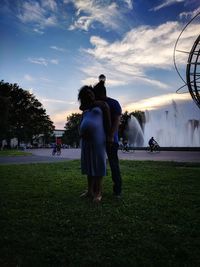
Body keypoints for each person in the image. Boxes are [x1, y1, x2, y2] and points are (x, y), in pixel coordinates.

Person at [78, 85, 111, 202]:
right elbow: (81, 121)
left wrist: (109, 136)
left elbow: (107, 122)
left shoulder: (102, 105)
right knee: (88, 164)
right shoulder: (85, 109)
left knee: (98, 164)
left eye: (91, 92)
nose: (89, 94)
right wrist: (80, 132)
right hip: (85, 140)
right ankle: (89, 191)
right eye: (86, 93)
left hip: (99, 138)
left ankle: (98, 192)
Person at [93, 75, 122, 198]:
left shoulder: (113, 103)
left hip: (111, 140)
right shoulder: (97, 104)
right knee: (97, 164)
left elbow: (116, 120)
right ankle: (96, 189)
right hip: (98, 139)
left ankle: (117, 191)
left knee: (113, 164)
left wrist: (110, 136)